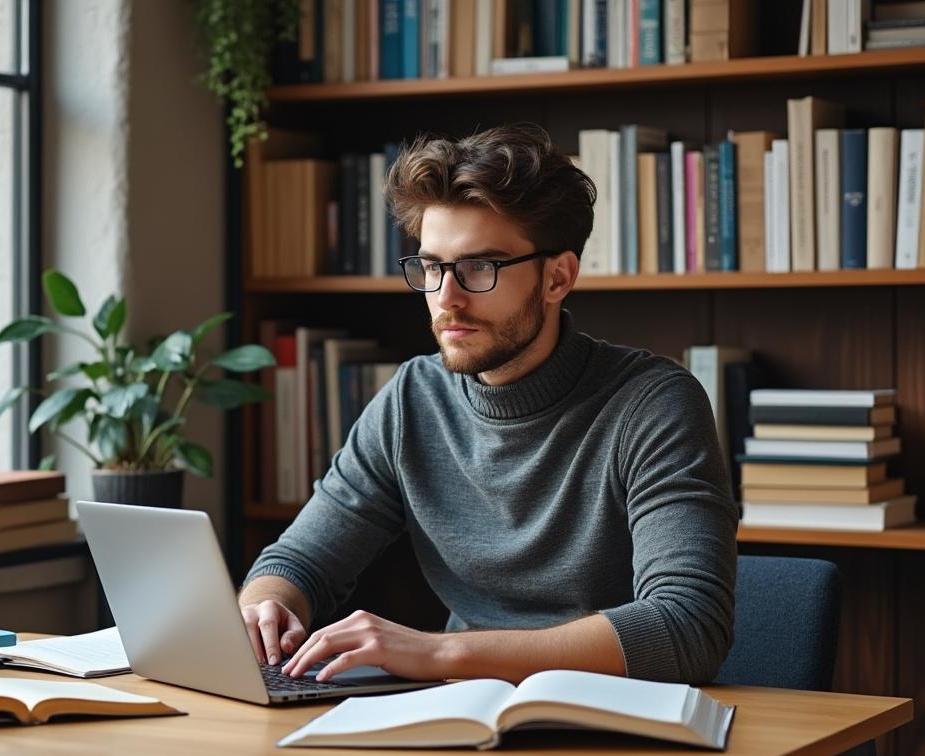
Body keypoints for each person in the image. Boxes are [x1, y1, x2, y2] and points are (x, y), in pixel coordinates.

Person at [238, 124, 738, 686]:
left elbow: (687, 629)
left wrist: (441, 653)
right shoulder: (412, 400)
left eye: (480, 267)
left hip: (617, 722)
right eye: (431, 268)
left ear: (558, 277)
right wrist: (266, 605)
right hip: (466, 713)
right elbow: (300, 562)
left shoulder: (653, 405)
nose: (445, 298)